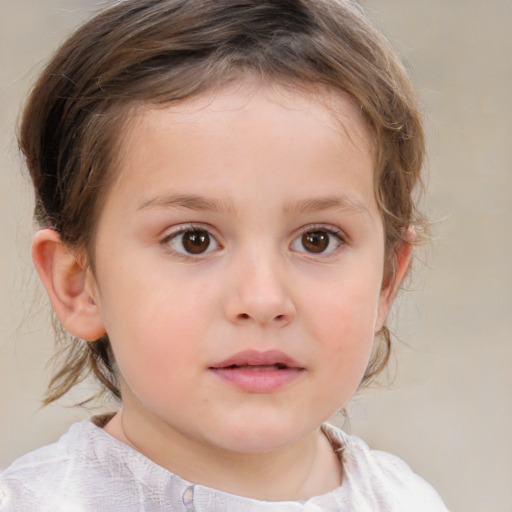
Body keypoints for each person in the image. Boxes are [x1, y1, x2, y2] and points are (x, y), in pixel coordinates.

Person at [0, 0, 448, 510]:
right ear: (78, 283)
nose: (262, 299)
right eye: (193, 239)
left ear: (386, 280)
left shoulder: (408, 500)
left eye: (317, 239)